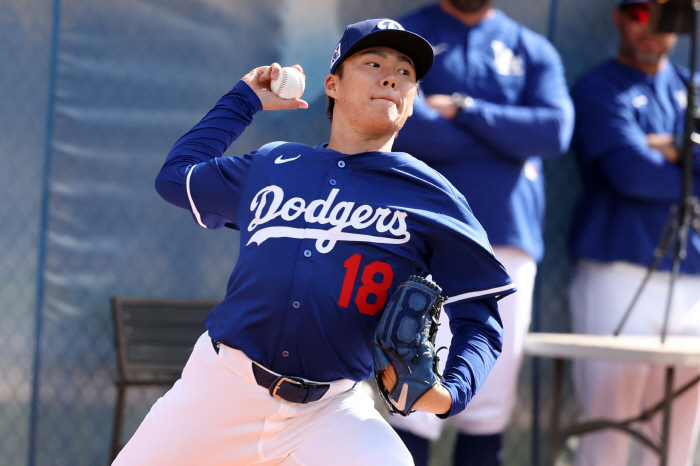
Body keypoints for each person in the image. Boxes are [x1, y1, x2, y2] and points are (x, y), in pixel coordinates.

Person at [112, 18, 516, 466]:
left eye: (405, 72)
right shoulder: (274, 164)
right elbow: (175, 178)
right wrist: (243, 101)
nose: (391, 76)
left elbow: (481, 314)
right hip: (220, 390)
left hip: (332, 410)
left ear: (412, 100)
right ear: (333, 85)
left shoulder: (431, 195)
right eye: (372, 62)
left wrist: (450, 393)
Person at [384, 1, 574, 465]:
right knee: (412, 383)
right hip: (422, 235)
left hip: (507, 238)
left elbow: (553, 131)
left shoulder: (532, 48)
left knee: (490, 394)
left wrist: (466, 110)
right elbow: (403, 124)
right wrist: (508, 144)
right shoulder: (408, 35)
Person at [568, 1, 700, 465]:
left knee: (677, 438)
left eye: (667, 18)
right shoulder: (599, 87)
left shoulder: (692, 88)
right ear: (620, 17)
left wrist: (671, 150)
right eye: (641, 13)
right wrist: (688, 160)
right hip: (618, 271)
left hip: (692, 280)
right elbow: (631, 174)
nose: (652, 28)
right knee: (609, 425)